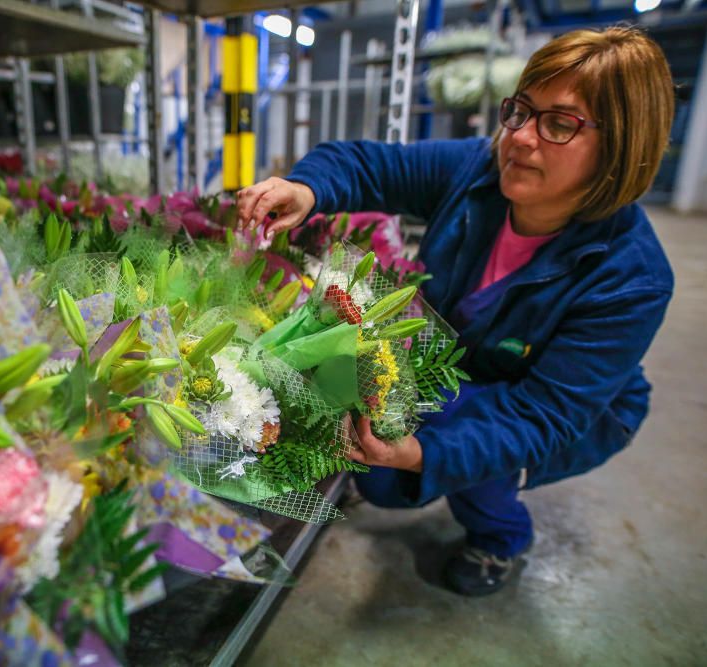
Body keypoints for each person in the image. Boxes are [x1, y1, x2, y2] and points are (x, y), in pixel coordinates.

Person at [236, 27, 675, 596]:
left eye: (560, 124)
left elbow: (541, 415)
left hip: (574, 409)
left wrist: (422, 453)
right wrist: (306, 189)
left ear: (623, 146)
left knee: (474, 454)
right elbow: (368, 165)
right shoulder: (479, 172)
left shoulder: (630, 277)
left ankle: (500, 539)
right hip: (464, 368)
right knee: (386, 440)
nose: (520, 138)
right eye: (520, 111)